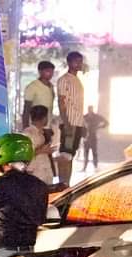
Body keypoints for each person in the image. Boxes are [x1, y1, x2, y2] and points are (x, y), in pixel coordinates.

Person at [56, 51, 85, 185]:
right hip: (69, 122)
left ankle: (67, 184)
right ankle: (63, 185)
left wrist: (82, 124)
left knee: (70, 155)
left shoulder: (77, 80)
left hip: (77, 123)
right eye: (76, 61)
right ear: (69, 62)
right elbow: (61, 103)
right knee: (65, 155)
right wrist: (66, 123)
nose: (79, 64)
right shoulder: (64, 80)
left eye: (80, 61)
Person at [20, 105, 59, 186]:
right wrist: (42, 150)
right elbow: (22, 155)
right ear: (44, 118)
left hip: (45, 173)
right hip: (35, 176)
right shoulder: (27, 133)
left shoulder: (42, 133)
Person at [22, 60, 55, 129]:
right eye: (48, 71)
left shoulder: (51, 86)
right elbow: (26, 109)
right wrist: (26, 127)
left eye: (52, 72)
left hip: (47, 125)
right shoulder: (32, 87)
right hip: (35, 126)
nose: (51, 74)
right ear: (40, 71)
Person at [82, 106, 109, 172]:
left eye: (90, 109)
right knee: (86, 152)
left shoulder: (96, 116)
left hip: (93, 136)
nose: (90, 110)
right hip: (86, 137)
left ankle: (95, 167)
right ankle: (84, 167)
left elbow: (106, 123)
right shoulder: (85, 117)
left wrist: (99, 127)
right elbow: (81, 126)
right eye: (89, 109)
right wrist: (82, 135)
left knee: (94, 152)